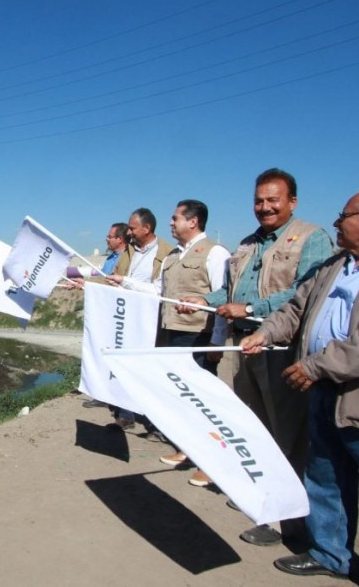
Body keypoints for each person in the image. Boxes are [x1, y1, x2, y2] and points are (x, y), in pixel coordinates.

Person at [179, 168, 333, 547]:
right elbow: (230, 291)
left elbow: (306, 295)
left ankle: (290, 520)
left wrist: (250, 307)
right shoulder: (247, 243)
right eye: (258, 201)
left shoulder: (312, 239)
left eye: (273, 200)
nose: (264, 207)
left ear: (292, 202)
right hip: (241, 347)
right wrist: (206, 301)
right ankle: (262, 501)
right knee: (250, 428)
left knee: (288, 435)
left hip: (280, 349)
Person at [239, 192, 359, 579]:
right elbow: (295, 309)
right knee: (325, 474)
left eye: (346, 216)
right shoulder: (334, 266)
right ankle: (330, 554)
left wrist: (316, 365)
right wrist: (265, 332)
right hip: (323, 390)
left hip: (349, 389)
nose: (337, 223)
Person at [108, 200, 230, 485]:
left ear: (193, 221)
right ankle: (187, 450)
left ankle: (210, 463)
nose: (171, 223)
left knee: (201, 402)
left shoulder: (215, 253)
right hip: (172, 334)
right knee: (181, 398)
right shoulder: (173, 256)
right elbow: (157, 291)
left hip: (198, 335)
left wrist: (218, 340)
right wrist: (124, 282)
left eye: (176, 219)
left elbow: (225, 294)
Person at [105, 207, 174, 432]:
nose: (129, 233)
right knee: (126, 365)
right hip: (127, 316)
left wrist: (125, 282)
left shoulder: (168, 253)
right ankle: (126, 414)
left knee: (151, 370)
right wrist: (84, 284)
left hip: (153, 319)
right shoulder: (129, 252)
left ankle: (154, 420)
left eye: (133, 228)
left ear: (147, 228)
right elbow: (112, 280)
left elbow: (159, 290)